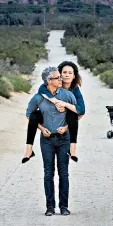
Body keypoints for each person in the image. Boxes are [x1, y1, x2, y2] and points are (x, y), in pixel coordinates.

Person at [25, 66, 77, 216]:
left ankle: (64, 207)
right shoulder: (38, 98)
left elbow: (76, 113)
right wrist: (41, 129)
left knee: (64, 173)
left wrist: (66, 128)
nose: (61, 79)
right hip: (47, 140)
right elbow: (29, 115)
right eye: (57, 78)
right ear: (49, 81)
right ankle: (50, 207)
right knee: (48, 173)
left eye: (61, 77)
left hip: (63, 139)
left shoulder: (67, 95)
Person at [22, 61, 85, 163]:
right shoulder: (48, 85)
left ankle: (73, 149)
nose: (66, 75)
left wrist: (64, 104)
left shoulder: (74, 89)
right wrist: (55, 102)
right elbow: (42, 89)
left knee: (71, 114)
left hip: (66, 119)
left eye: (70, 73)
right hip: (47, 116)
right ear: (59, 74)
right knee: (33, 115)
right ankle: (28, 150)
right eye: (64, 72)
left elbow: (81, 110)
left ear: (74, 76)